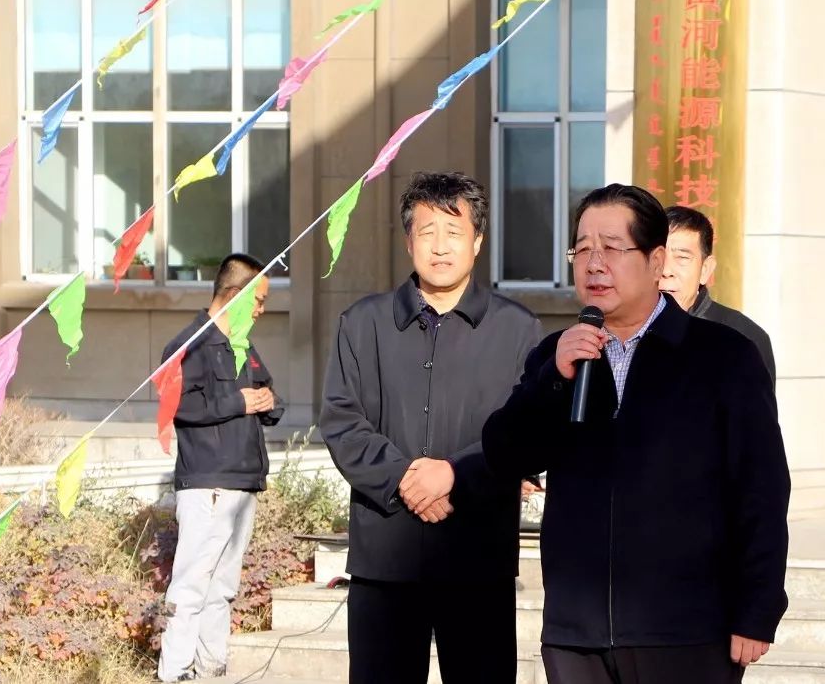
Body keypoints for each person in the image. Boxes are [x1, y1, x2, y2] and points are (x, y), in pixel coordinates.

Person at [400, 183, 790, 684]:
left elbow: (761, 488)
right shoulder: (557, 354)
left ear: (655, 260)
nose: (594, 264)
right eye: (582, 249)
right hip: (577, 634)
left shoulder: (723, 355)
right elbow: (505, 452)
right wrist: (552, 380)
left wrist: (757, 608)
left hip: (688, 629)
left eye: (611, 248)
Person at [319, 172, 541, 684]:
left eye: (454, 232)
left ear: (477, 241)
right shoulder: (363, 323)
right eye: (427, 232)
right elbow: (341, 418)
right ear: (408, 241)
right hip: (386, 559)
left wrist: (455, 476)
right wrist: (403, 478)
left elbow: (524, 431)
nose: (440, 247)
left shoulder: (518, 329)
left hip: (478, 557)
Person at [157, 254, 282, 682]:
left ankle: (212, 668)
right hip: (207, 482)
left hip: (243, 481)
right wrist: (237, 402)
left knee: (223, 587)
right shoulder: (188, 346)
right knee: (192, 583)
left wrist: (268, 402)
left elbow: (266, 393)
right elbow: (178, 406)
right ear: (234, 295)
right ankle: (175, 671)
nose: (262, 310)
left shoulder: (242, 345)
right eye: (259, 300)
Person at [660, 205, 776, 382]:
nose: (666, 270)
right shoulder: (623, 333)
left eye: (682, 257)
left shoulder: (744, 337)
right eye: (658, 257)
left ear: (705, 269)